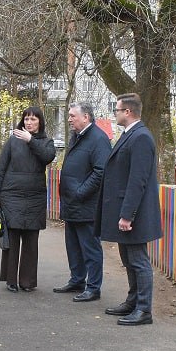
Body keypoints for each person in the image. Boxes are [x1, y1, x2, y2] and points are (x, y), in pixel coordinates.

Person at [97, 93, 162, 326]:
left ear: (128, 112)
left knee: (138, 260)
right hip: (128, 211)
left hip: (136, 214)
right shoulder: (131, 135)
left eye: (117, 110)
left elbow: (138, 180)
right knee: (128, 258)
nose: (115, 114)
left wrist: (127, 215)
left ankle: (144, 309)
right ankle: (133, 301)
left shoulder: (141, 137)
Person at [0, 106, 57, 292]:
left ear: (40, 122)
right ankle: (11, 279)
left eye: (33, 119)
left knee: (31, 240)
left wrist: (31, 141)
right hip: (11, 195)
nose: (29, 122)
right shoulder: (12, 141)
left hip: (35, 196)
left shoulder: (46, 142)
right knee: (12, 237)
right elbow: (0, 168)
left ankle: (27, 281)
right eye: (26, 119)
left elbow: (47, 157)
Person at [53, 102, 110, 302]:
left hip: (87, 205)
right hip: (72, 204)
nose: (69, 119)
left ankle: (93, 287)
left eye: (72, 116)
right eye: (69, 116)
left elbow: (100, 171)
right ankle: (77, 280)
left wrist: (80, 192)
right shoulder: (77, 137)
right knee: (73, 245)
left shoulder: (98, 139)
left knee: (90, 247)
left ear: (86, 117)